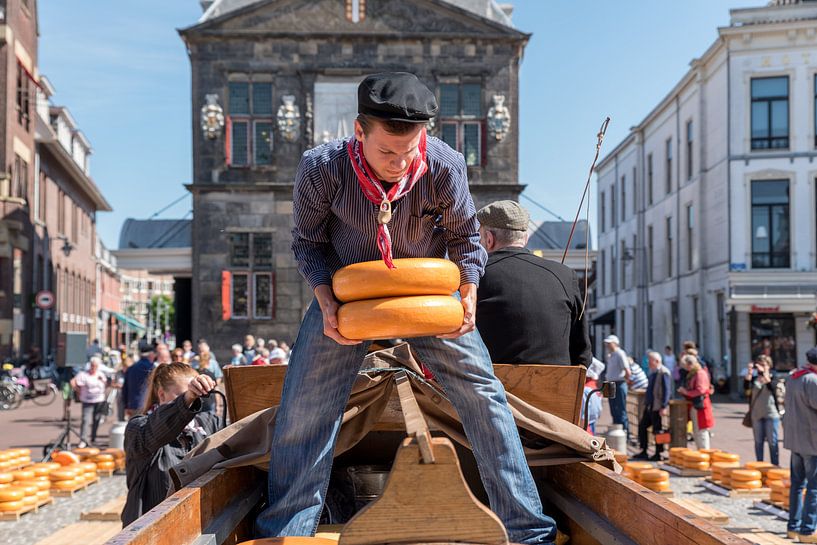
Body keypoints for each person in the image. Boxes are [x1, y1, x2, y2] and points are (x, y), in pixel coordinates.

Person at [255, 72, 557, 544]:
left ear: (425, 136)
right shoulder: (320, 168)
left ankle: (528, 531)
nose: (398, 164)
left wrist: (469, 289)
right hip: (348, 296)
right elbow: (308, 243)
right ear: (359, 131)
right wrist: (324, 298)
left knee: (484, 395)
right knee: (305, 407)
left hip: (429, 295)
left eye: (409, 152)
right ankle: (285, 533)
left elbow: (466, 238)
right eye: (386, 153)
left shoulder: (445, 164)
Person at [473, 200, 591, 367]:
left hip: (487, 382)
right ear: (525, 238)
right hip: (556, 382)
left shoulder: (474, 277)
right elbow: (583, 355)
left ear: (489, 239)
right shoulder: (565, 275)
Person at [121, 362, 219, 526]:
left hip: (196, 525)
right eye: (183, 394)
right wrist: (186, 400)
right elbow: (157, 430)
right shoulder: (138, 428)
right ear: (161, 394)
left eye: (197, 396)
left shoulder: (208, 423)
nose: (193, 400)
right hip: (151, 529)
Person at [783, 347, 817, 542]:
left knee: (797, 485)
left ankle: (793, 527)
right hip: (811, 441)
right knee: (814, 487)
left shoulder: (793, 377)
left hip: (795, 440)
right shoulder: (812, 380)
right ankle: (807, 530)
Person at [744, 355, 784, 465]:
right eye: (759, 365)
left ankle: (774, 465)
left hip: (771, 414)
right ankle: (759, 464)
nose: (760, 367)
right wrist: (749, 373)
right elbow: (746, 390)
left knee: (773, 441)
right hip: (757, 414)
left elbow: (772, 387)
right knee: (758, 441)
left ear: (769, 366)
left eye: (763, 365)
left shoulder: (774, 378)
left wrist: (765, 374)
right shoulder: (754, 378)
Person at [634, 351, 671, 461]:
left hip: (657, 406)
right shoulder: (653, 372)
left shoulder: (664, 372)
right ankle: (644, 450)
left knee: (658, 430)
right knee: (642, 426)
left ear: (657, 361)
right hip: (650, 405)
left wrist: (663, 406)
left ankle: (658, 453)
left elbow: (667, 391)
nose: (648, 363)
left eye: (650, 361)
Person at [677, 354, 714, 449]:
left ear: (690, 364)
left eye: (685, 366)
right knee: (697, 430)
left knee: (701, 431)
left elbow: (701, 390)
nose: (685, 368)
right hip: (696, 405)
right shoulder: (694, 373)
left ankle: (704, 452)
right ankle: (701, 451)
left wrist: (686, 392)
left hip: (700, 406)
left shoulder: (700, 373)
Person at [71, 356, 109, 447]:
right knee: (86, 420)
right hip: (87, 401)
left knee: (97, 420)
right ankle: (83, 440)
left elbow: (106, 384)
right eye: (92, 365)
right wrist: (78, 391)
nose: (93, 367)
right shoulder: (83, 374)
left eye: (95, 366)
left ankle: (93, 438)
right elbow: (73, 381)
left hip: (99, 400)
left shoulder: (100, 374)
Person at [604, 335, 631, 437]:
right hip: (611, 384)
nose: (607, 345)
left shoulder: (620, 353)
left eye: (609, 343)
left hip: (619, 383)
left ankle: (625, 433)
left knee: (620, 410)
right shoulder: (611, 355)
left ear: (615, 343)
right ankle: (616, 432)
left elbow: (627, 371)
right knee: (613, 409)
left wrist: (625, 381)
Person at [122, 341, 156, 418]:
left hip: (133, 405)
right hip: (147, 406)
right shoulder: (152, 368)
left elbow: (125, 389)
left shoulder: (131, 368)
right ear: (151, 355)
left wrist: (126, 406)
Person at [581, 358, 604, 434]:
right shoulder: (595, 388)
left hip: (586, 427)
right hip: (592, 422)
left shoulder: (585, 390)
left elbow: (583, 417)